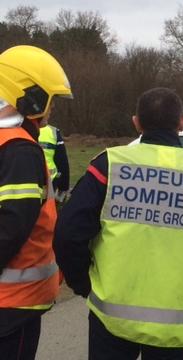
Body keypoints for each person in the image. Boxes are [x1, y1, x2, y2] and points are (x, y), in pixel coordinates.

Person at [53, 88, 183, 360]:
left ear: (136, 123)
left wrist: (84, 285)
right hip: (178, 322)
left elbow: (68, 235)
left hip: (111, 319)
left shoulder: (109, 165)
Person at [0, 45, 72, 360]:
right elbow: (11, 226)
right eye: (49, 100)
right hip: (15, 302)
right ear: (29, 97)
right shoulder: (20, 148)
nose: (51, 109)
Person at [38, 123, 70, 201]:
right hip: (48, 184)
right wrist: (63, 187)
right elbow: (62, 162)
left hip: (21, 184)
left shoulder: (17, 129)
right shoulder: (53, 132)